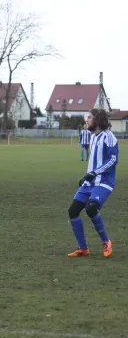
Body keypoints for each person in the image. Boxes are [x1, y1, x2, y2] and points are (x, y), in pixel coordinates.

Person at [68, 109, 117, 258]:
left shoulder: (109, 136)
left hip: (104, 182)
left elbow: (113, 159)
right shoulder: (93, 137)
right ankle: (83, 248)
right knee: (73, 211)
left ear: (97, 119)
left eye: (89, 117)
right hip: (90, 182)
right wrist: (86, 176)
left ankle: (106, 242)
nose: (86, 120)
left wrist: (95, 172)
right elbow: (94, 161)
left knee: (90, 208)